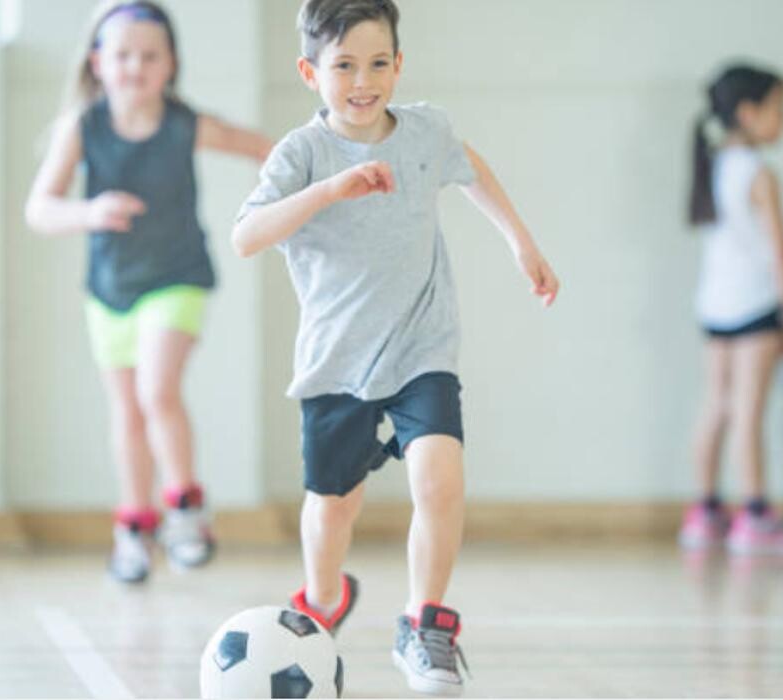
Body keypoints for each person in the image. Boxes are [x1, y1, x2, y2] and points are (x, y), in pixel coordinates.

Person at [232, 0, 559, 694]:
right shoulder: (302, 153)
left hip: (421, 348)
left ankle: (424, 623)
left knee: (439, 479)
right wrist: (328, 191)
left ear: (399, 65)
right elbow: (247, 235)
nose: (362, 79)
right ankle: (322, 600)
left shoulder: (423, 130)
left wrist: (519, 241)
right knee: (332, 507)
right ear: (309, 71)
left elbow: (467, 163)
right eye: (344, 64)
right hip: (336, 363)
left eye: (378, 62)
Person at [25, 1, 273, 584]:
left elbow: (263, 148)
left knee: (158, 389)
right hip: (110, 289)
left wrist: (282, 199)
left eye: (149, 55)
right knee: (128, 408)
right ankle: (134, 526)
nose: (135, 66)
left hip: (178, 277)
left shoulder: (187, 125)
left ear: (170, 65)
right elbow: (39, 209)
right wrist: (89, 210)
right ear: (98, 62)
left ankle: (185, 509)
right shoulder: (81, 128)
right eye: (123, 55)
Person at [680, 63, 783, 555]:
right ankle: (755, 515)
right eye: (780, 109)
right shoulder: (760, 173)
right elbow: (780, 252)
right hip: (756, 305)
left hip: (715, 305)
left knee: (717, 405)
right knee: (749, 410)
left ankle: (705, 510)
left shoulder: (713, 162)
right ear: (749, 113)